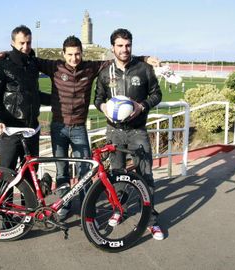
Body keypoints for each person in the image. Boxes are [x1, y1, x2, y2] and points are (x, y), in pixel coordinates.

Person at [0, 36, 160, 221]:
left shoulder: (90, 67)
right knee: (62, 171)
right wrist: (4, 55)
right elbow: (27, 57)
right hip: (58, 128)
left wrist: (144, 59)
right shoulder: (54, 66)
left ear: (82, 54)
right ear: (63, 54)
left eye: (77, 54)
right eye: (70, 54)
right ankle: (64, 205)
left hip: (79, 129)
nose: (74, 58)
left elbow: (118, 57)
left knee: (85, 170)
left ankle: (86, 208)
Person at [94, 28, 164, 240]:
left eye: (128, 45)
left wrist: (142, 106)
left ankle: (151, 220)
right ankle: (118, 210)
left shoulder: (143, 69)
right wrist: (103, 107)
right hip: (114, 132)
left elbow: (156, 95)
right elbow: (97, 99)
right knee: (117, 174)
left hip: (137, 132)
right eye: (120, 46)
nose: (124, 49)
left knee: (145, 175)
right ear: (113, 47)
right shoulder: (105, 73)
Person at [0, 25, 50, 177]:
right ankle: (5, 203)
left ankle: (30, 203)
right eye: (21, 43)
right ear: (13, 43)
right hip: (10, 132)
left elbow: (34, 95)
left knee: (31, 178)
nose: (25, 47)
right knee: (7, 177)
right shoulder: (2, 64)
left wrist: (58, 99)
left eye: (28, 43)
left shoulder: (32, 64)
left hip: (32, 130)